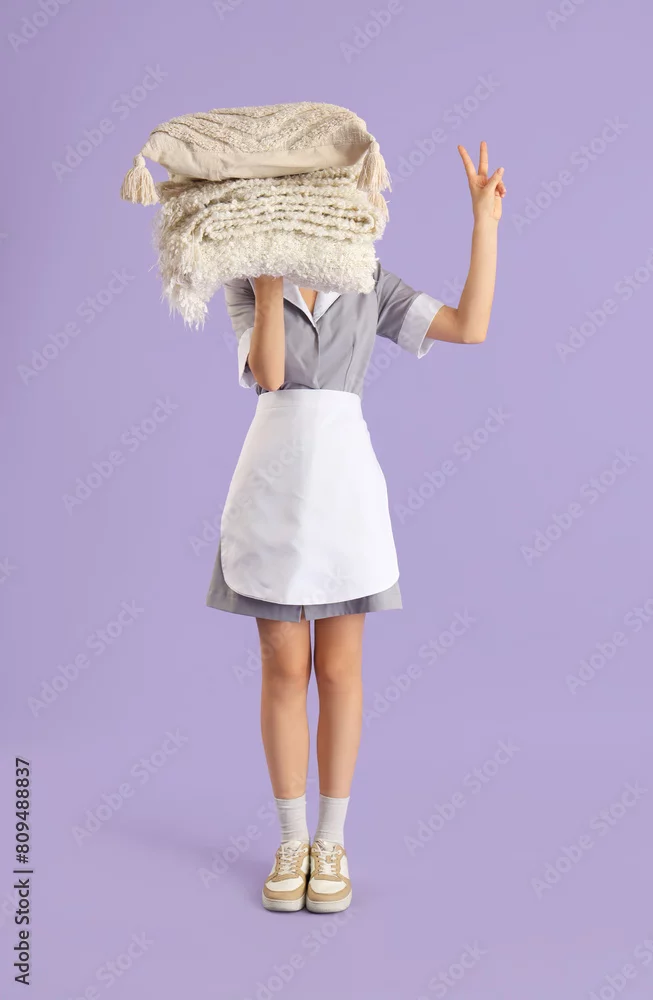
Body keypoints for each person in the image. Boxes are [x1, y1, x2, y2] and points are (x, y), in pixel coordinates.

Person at [206, 142, 505, 912]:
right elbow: (270, 375)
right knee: (283, 670)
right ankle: (290, 840)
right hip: (272, 486)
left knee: (339, 671)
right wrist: (268, 280)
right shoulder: (245, 279)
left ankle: (331, 841)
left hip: (343, 491)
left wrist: (483, 221)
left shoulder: (365, 276)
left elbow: (469, 326)